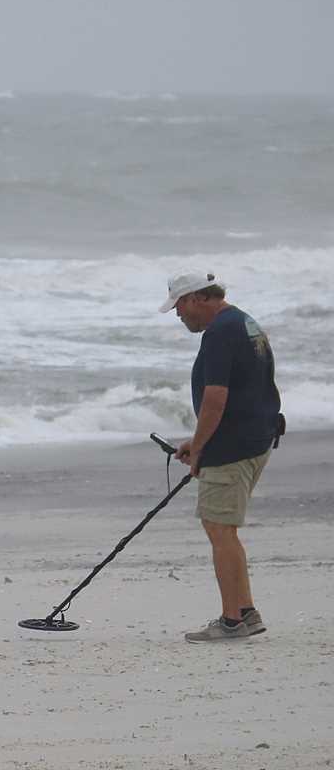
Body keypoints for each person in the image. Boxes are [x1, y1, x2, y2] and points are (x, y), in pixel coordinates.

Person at [159, 272, 281, 642]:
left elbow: (215, 398)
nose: (178, 314)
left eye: (179, 306)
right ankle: (245, 612)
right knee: (224, 528)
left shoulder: (220, 333)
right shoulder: (244, 322)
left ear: (196, 298)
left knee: (219, 529)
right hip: (254, 438)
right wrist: (197, 442)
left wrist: (200, 447)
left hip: (232, 447)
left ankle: (232, 621)